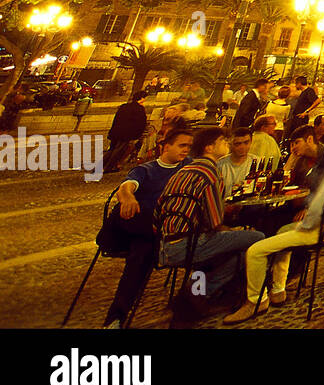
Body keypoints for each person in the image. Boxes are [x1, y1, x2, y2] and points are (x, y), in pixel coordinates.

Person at [223, 136, 324, 323]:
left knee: (255, 251)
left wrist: (310, 211)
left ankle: (256, 301)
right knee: (279, 231)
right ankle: (278, 289)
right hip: (314, 222)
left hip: (320, 228)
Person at [155, 128, 265, 321]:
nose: (227, 144)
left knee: (234, 251)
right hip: (188, 244)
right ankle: (198, 294)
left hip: (165, 245)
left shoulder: (184, 170)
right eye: (223, 141)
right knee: (258, 239)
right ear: (209, 147)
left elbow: (159, 210)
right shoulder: (211, 172)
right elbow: (215, 222)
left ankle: (202, 294)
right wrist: (232, 228)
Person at [97, 127, 193, 327]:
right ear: (166, 147)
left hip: (156, 233)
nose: (186, 150)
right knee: (144, 235)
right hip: (133, 225)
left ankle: (116, 318)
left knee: (142, 254)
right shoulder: (146, 169)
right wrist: (128, 198)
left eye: (189, 147)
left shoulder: (189, 167)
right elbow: (126, 187)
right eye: (182, 145)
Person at [103, 90, 148, 173]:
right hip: (126, 133)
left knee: (111, 149)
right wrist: (137, 134)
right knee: (118, 151)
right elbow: (141, 123)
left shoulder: (124, 106)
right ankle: (109, 167)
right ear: (141, 98)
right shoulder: (139, 109)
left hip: (116, 131)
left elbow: (116, 119)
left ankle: (99, 165)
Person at [217, 128, 255, 194]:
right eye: (238, 144)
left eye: (246, 143)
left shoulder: (256, 162)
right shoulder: (220, 164)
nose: (242, 147)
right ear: (230, 144)